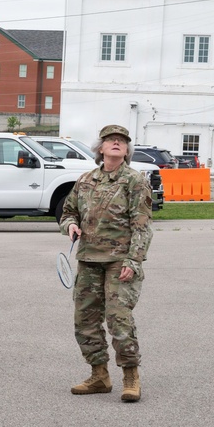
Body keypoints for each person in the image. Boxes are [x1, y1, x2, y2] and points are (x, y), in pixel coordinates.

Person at [60, 124, 153, 403]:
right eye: (110, 140)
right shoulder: (86, 179)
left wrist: (133, 260)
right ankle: (99, 375)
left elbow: (142, 226)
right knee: (85, 320)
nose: (116, 143)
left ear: (126, 150)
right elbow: (68, 212)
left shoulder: (135, 181)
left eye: (121, 141)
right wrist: (70, 225)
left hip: (120, 261)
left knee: (118, 319)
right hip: (88, 259)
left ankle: (131, 376)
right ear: (100, 148)